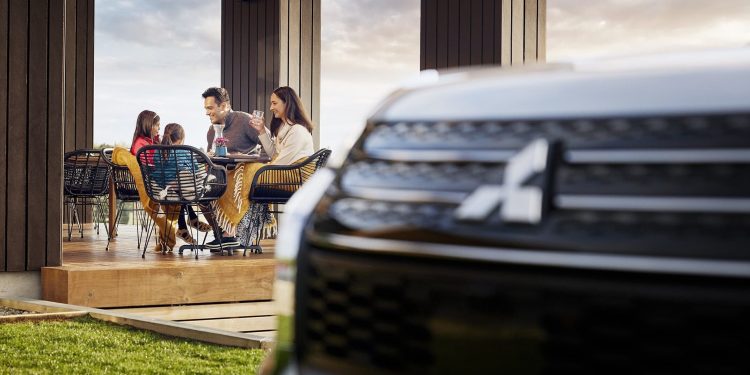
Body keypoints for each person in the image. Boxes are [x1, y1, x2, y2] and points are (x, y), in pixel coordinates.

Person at [152, 123, 212, 245]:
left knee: (179, 190)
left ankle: (184, 227)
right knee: (185, 185)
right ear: (182, 138)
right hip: (180, 190)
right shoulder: (185, 151)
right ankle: (191, 219)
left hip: (161, 191)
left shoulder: (157, 152)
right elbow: (195, 170)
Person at [250, 86, 315, 165]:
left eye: (274, 103)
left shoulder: (297, 131)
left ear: (287, 103)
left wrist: (261, 167)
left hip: (295, 175)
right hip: (284, 172)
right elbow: (274, 155)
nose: (271, 108)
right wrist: (261, 130)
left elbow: (280, 163)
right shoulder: (283, 127)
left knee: (247, 168)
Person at [203, 87, 261, 154]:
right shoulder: (211, 131)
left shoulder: (245, 120)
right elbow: (210, 159)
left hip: (246, 164)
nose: (207, 113)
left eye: (210, 108)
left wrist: (254, 159)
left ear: (223, 106)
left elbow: (269, 144)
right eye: (206, 109)